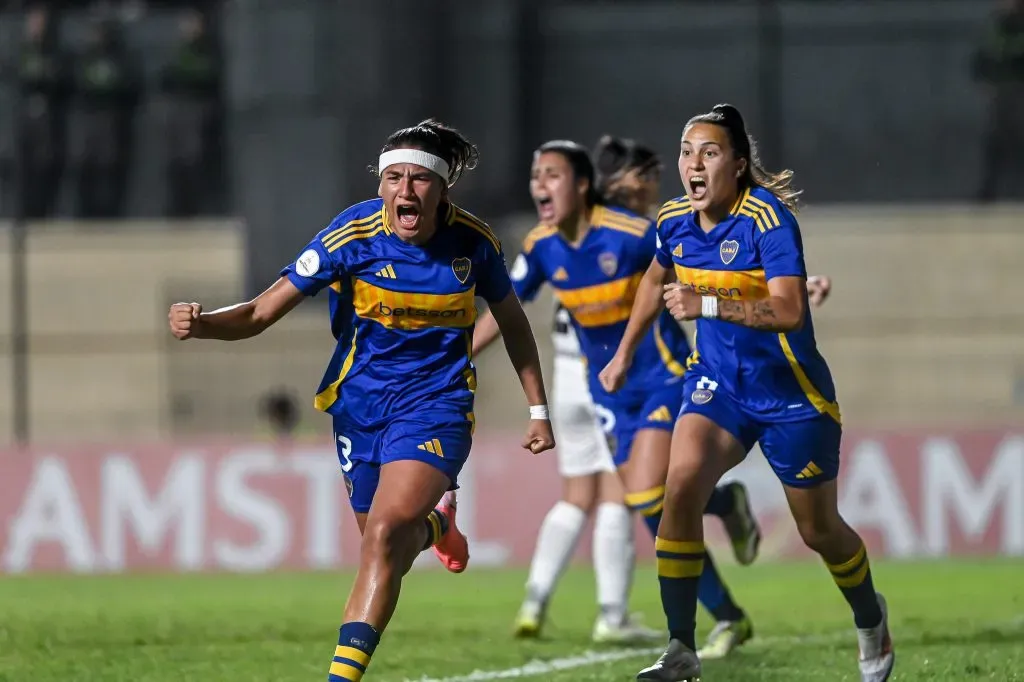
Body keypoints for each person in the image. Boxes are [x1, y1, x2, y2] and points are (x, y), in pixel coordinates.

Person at [168, 119, 555, 682]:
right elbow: (257, 313)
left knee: (381, 535)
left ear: (442, 189)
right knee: (386, 549)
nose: (405, 190)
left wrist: (537, 410)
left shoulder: (475, 244)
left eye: (419, 180)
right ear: (380, 186)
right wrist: (203, 325)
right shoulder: (352, 236)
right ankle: (435, 530)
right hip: (360, 407)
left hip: (437, 405)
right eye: (393, 177)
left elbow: (514, 325)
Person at [600, 104, 893, 682]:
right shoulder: (673, 220)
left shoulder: (768, 220)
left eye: (709, 152)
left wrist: (706, 303)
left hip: (791, 394)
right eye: (687, 152)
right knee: (678, 490)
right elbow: (654, 280)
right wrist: (625, 352)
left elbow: (788, 309)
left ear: (736, 164)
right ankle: (681, 649)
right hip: (717, 386)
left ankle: (870, 617)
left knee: (819, 531)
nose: (694, 164)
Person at [473, 139, 760, 655]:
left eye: (553, 174)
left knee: (649, 494)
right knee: (657, 505)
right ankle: (730, 593)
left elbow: (697, 264)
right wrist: (455, 356)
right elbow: (506, 308)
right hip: (609, 394)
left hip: (664, 377)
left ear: (582, 185)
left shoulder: (630, 235)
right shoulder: (541, 246)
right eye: (536, 174)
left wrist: (781, 292)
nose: (540, 184)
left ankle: (719, 608)